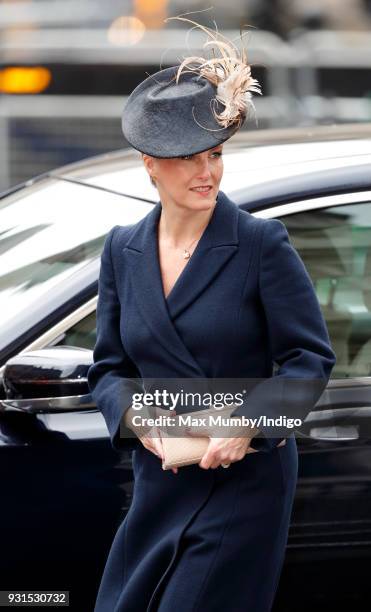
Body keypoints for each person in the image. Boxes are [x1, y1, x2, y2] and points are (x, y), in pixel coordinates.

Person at [87, 16, 336, 612]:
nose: (208, 172)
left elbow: (310, 360)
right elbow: (109, 369)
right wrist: (140, 424)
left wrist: (247, 422)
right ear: (150, 163)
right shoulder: (122, 247)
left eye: (216, 154)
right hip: (160, 482)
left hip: (243, 485)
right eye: (189, 158)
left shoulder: (259, 244)